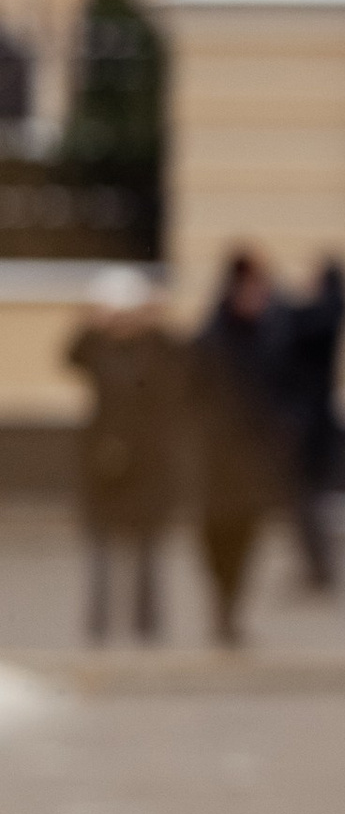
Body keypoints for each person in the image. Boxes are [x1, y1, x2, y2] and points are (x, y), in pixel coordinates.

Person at [64, 268, 186, 642]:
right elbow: (71, 355)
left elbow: (182, 365)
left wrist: (155, 319)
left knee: (147, 548)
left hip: (149, 461)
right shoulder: (99, 348)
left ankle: (146, 623)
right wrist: (93, 321)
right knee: (101, 546)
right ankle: (98, 623)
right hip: (103, 458)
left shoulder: (155, 348)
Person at [189, 249, 292, 647]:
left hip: (254, 459)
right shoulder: (211, 338)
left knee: (246, 538)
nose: (258, 298)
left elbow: (283, 391)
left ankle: (230, 608)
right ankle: (221, 601)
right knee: (215, 536)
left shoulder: (271, 337)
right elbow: (191, 393)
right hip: (214, 457)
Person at [271, 256, 345, 592]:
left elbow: (297, 329)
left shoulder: (325, 315)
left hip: (310, 425)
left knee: (306, 502)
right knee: (308, 502)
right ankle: (316, 568)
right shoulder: (328, 313)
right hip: (314, 423)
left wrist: (281, 302)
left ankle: (318, 569)